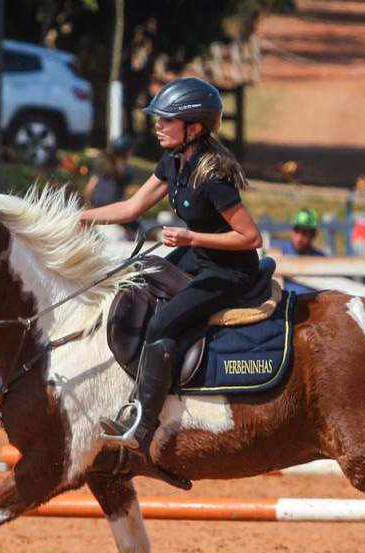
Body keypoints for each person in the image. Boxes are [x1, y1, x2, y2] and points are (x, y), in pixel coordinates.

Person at [79, 78, 261, 454]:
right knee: (137, 282)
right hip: (200, 256)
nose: (157, 125)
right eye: (158, 119)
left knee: (162, 323)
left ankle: (143, 422)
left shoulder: (213, 176)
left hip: (231, 269)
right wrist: (79, 218)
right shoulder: (173, 161)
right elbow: (130, 208)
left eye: (166, 120)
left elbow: (250, 239)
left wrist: (191, 238)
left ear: (193, 129)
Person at [84, 133, 140, 239]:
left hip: (97, 208)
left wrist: (89, 208)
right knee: (136, 227)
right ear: (126, 151)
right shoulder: (125, 171)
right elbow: (123, 198)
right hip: (110, 210)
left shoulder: (102, 163)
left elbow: (89, 189)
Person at [267, 208, 324, 294]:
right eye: (297, 231)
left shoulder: (320, 258)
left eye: (305, 233)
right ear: (291, 231)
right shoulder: (278, 249)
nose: (299, 238)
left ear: (314, 235)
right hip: (283, 304)